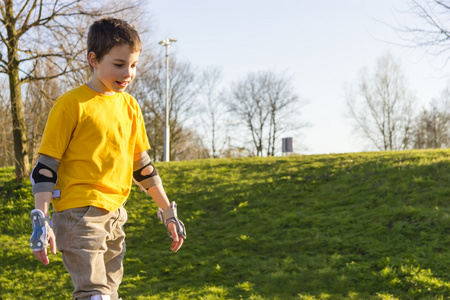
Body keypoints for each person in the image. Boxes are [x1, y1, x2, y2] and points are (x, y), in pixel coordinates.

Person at [29, 18, 186, 300]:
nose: (128, 73)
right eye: (118, 64)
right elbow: (45, 169)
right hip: (79, 214)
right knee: (95, 295)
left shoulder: (130, 107)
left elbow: (143, 167)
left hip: (115, 215)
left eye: (133, 65)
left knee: (110, 295)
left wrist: (168, 213)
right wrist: (41, 221)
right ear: (93, 59)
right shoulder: (72, 104)